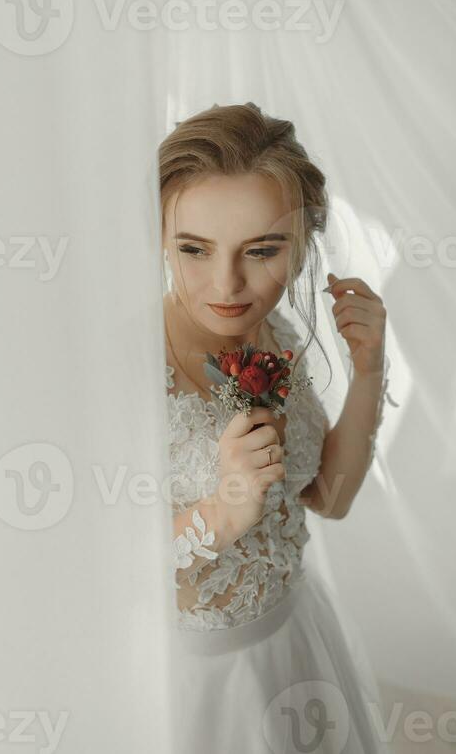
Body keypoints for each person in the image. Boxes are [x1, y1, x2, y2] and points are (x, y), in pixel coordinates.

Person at [160, 102, 395, 753]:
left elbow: (329, 497)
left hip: (294, 643)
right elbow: (91, 577)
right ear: (160, 236)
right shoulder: (126, 369)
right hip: (197, 685)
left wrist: (370, 370)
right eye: (194, 249)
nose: (227, 285)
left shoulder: (274, 332)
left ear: (303, 244)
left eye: (261, 250)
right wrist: (221, 512)